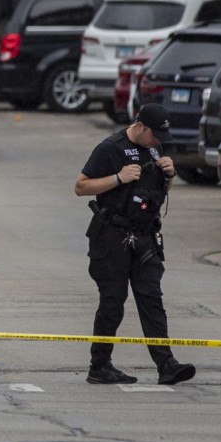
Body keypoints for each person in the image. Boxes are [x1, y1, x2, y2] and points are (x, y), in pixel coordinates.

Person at [74, 103, 196, 386]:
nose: (158, 143)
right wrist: (118, 178)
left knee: (152, 298)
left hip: (144, 237)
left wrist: (169, 176)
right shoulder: (110, 148)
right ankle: (100, 365)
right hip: (112, 238)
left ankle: (166, 365)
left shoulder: (155, 149)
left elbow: (156, 193)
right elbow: (80, 186)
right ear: (140, 127)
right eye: (155, 135)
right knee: (113, 303)